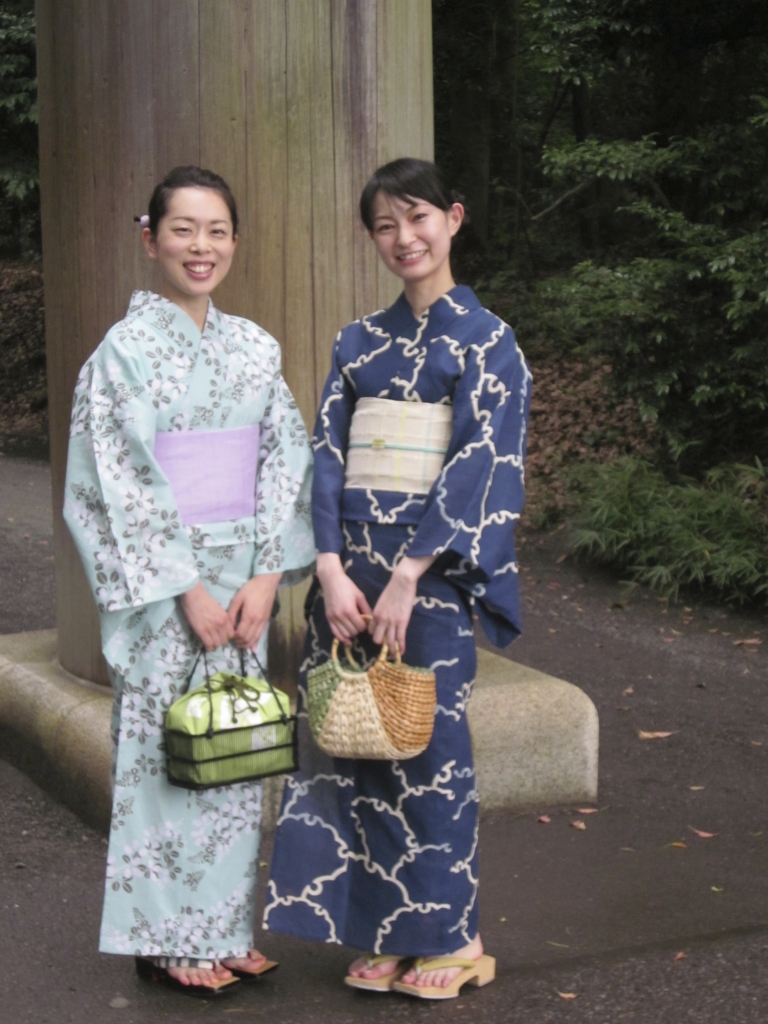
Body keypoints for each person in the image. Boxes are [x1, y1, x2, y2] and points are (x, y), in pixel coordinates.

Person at [264, 158, 531, 1000]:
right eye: (385, 225)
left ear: (452, 218)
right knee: (350, 753)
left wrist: (411, 572)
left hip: (431, 580)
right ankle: (385, 929)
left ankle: (454, 937)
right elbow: (327, 457)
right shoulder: (357, 342)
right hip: (351, 585)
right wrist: (333, 570)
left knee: (431, 755)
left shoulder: (488, 342)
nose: (403, 238)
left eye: (417, 218)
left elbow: (482, 463)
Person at [63, 166, 314, 996]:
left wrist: (267, 571)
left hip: (243, 579)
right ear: (151, 239)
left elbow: (284, 456)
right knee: (168, 753)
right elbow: (117, 482)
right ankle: (169, 938)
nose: (200, 247)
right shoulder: (123, 355)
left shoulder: (255, 348)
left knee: (236, 749)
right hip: (171, 588)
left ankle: (225, 925)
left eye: (216, 232)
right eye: (183, 230)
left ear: (234, 243)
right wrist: (185, 589)